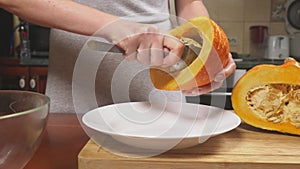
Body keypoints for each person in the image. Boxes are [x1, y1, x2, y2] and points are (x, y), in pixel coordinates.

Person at [0, 0, 236, 113]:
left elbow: (191, 3)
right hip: (73, 92)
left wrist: (211, 49)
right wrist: (114, 26)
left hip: (161, 96)